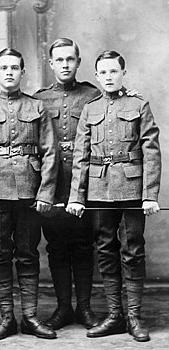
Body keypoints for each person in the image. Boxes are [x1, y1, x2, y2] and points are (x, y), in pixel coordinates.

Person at [34, 38, 141, 331]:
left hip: (89, 182)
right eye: (60, 60)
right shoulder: (38, 99)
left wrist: (126, 94)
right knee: (56, 246)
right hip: (52, 181)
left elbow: (116, 104)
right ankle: (63, 308)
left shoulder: (94, 95)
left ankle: (84, 308)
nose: (65, 65)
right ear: (51, 63)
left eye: (71, 59)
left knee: (84, 244)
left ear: (78, 62)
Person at [67, 50, 161, 342]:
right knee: (105, 248)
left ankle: (133, 317)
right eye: (103, 73)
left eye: (113, 71)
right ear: (96, 77)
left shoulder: (139, 104)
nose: (108, 77)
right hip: (98, 189)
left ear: (123, 73)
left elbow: (151, 151)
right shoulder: (90, 108)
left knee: (132, 248)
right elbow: (80, 157)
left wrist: (150, 193)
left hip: (133, 188)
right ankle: (114, 315)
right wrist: (76, 197)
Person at [0, 48, 58, 341]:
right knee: (0, 255)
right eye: (3, 68)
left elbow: (50, 152)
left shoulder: (36, 107)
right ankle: (7, 319)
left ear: (22, 72)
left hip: (30, 191)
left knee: (29, 254)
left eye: (14, 68)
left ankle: (30, 317)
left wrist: (46, 192)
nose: (9, 72)